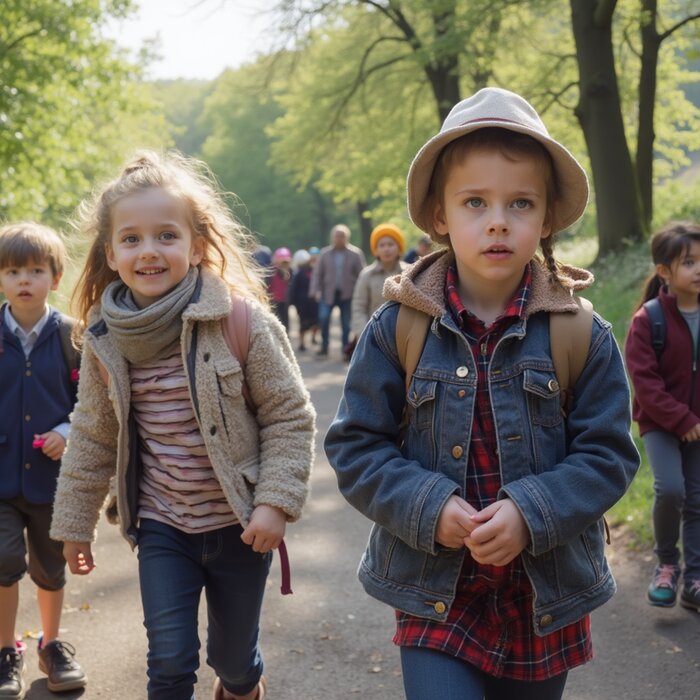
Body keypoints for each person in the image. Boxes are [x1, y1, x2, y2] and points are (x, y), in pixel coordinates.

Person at [324, 87, 640, 700]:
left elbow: (609, 455)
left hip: (543, 594)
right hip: (436, 596)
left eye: (520, 202)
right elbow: (356, 448)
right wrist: (426, 505)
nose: (498, 220)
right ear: (440, 215)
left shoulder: (581, 333)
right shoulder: (399, 328)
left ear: (547, 217)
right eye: (475, 202)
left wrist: (531, 511)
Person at [49, 150, 316, 700]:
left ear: (195, 246)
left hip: (241, 526)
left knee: (235, 661)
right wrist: (75, 523)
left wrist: (275, 501)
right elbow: (93, 435)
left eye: (166, 235)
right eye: (132, 239)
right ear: (111, 252)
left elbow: (289, 416)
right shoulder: (104, 338)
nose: (149, 250)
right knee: (169, 661)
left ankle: (242, 683)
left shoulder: (240, 322)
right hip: (162, 526)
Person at [0, 222, 86, 699]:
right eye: (13, 271)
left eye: (35, 270)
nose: (24, 280)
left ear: (55, 277)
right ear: (0, 279)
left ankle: (52, 646)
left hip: (53, 481)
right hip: (0, 478)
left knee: (52, 567)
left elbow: (92, 403)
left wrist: (65, 431)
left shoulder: (74, 336)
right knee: (2, 559)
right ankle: (4, 650)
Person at [624, 221, 700, 613]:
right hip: (661, 424)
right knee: (672, 489)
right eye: (689, 262)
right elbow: (646, 385)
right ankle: (667, 565)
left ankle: (695, 579)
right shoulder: (647, 321)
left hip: (698, 425)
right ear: (664, 272)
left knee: (698, 500)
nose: (699, 269)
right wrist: (682, 419)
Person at [348, 223, 408, 358]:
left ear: (399, 248)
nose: (386, 249)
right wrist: (364, 334)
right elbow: (359, 306)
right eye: (381, 245)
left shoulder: (410, 273)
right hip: (374, 338)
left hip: (404, 338)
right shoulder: (366, 275)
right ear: (376, 250)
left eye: (390, 244)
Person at [309, 224, 365, 357]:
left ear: (347, 238)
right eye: (337, 236)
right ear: (332, 237)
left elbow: (362, 275)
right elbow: (317, 273)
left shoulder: (355, 254)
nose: (339, 238)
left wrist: (361, 293)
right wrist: (314, 290)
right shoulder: (325, 253)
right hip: (328, 293)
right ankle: (324, 345)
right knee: (323, 317)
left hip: (348, 294)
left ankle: (346, 349)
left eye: (342, 236)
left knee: (346, 323)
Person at [288, 249, 319, 352]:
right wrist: (292, 302)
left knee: (316, 322)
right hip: (302, 302)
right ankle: (302, 343)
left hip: (314, 301)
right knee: (302, 323)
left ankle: (314, 338)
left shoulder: (316, 271)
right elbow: (294, 288)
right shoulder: (300, 273)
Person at [267, 247, 292, 332]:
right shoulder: (271, 270)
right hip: (273, 301)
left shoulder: (289, 271)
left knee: (285, 322)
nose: (283, 264)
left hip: (284, 301)